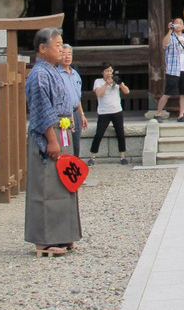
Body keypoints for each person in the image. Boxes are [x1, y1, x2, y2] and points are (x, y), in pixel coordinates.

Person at [25, 27, 82, 257]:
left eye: (62, 44)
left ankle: (62, 232)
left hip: (63, 129)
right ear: (42, 48)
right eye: (57, 45)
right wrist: (51, 139)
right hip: (49, 133)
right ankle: (45, 239)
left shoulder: (54, 71)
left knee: (65, 181)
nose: (61, 49)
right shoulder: (39, 74)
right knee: (47, 185)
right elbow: (41, 109)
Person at [148, 17, 184, 122]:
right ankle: (158, 113)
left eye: (180, 23)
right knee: (168, 92)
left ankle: (181, 115)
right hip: (173, 69)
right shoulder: (171, 36)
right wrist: (169, 31)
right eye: (175, 23)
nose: (178, 25)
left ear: (183, 26)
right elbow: (164, 44)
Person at [88, 63, 131, 166]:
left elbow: (127, 91)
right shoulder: (98, 82)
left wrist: (120, 84)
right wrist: (106, 84)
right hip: (104, 112)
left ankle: (122, 156)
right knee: (99, 134)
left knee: (120, 134)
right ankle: (92, 157)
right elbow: (98, 94)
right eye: (107, 71)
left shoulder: (116, 80)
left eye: (110, 71)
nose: (109, 73)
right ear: (102, 72)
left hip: (117, 111)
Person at [58, 45, 87, 157]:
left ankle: (75, 169)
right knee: (65, 143)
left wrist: (82, 114)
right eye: (64, 54)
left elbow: (77, 96)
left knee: (76, 143)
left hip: (76, 112)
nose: (67, 57)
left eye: (69, 54)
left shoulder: (75, 74)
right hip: (64, 114)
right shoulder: (56, 75)